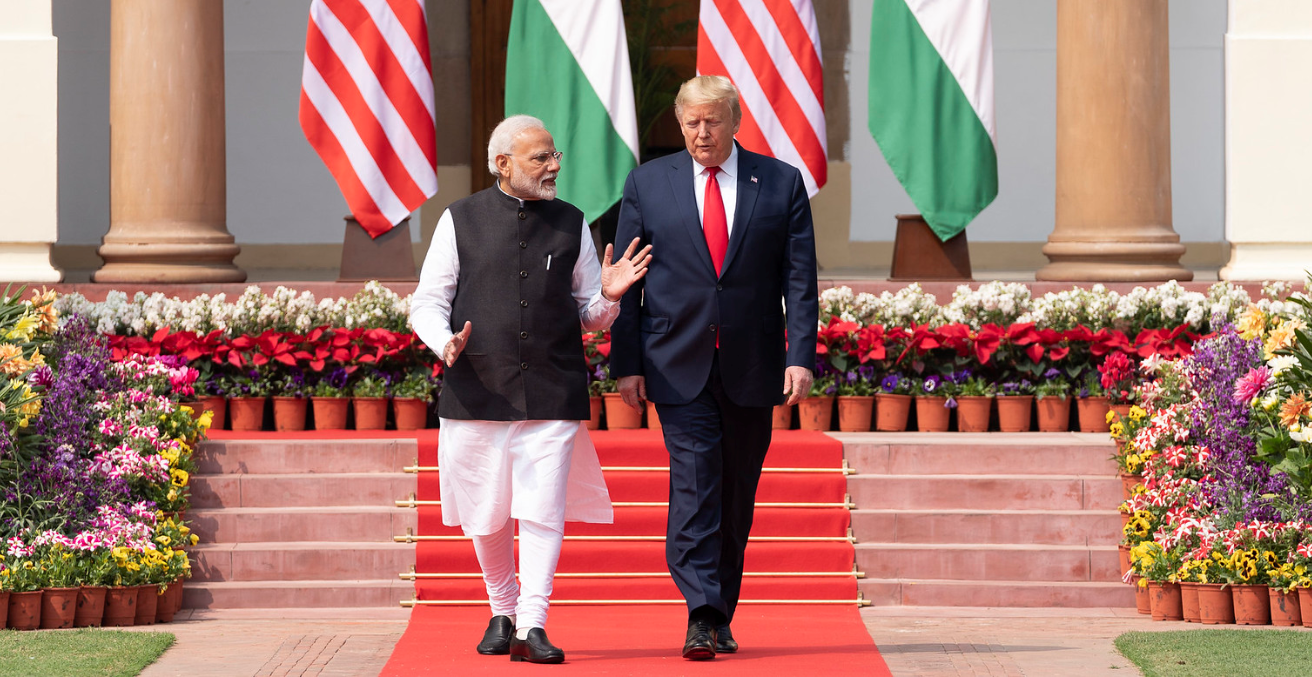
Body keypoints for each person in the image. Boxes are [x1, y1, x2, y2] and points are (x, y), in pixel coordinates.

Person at [410, 114, 651, 665]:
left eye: (554, 155)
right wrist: (443, 341)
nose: (553, 166)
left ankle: (533, 625)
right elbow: (427, 300)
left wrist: (610, 297)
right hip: (476, 390)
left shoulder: (572, 221)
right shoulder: (459, 219)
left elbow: (589, 312)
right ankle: (502, 610)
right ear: (503, 164)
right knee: (486, 508)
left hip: (553, 388)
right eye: (540, 158)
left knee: (542, 508)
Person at [610, 75, 819, 660]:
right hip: (676, 362)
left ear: (735, 120)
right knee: (696, 482)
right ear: (679, 124)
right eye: (691, 122)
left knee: (736, 494)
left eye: (713, 121)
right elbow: (627, 283)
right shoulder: (648, 184)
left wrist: (800, 354)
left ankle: (720, 609)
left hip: (754, 363)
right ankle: (700, 612)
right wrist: (626, 362)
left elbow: (799, 279)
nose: (702, 133)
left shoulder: (779, 182)